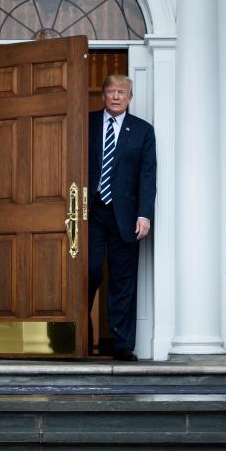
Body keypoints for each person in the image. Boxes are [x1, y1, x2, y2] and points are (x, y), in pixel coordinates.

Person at [88, 74, 157, 361]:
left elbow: (147, 174)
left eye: (122, 92)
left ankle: (122, 343)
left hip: (126, 216)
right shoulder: (86, 121)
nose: (116, 97)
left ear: (130, 97)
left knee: (123, 280)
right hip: (87, 213)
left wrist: (144, 214)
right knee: (87, 272)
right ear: (103, 95)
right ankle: (77, 334)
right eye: (111, 92)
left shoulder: (142, 130)